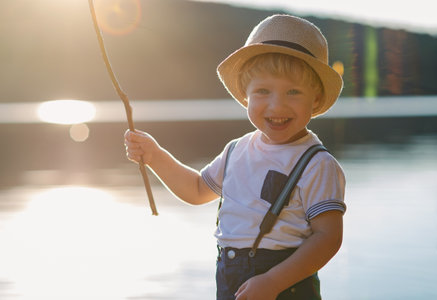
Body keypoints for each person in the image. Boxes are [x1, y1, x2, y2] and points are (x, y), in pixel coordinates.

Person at [124, 14, 346, 300]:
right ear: (245, 96)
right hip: (231, 278)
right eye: (263, 91)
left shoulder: (317, 164)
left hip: (286, 286)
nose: (277, 105)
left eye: (293, 92)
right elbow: (196, 190)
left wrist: (273, 282)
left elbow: (328, 238)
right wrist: (155, 156)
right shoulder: (236, 150)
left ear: (315, 100)